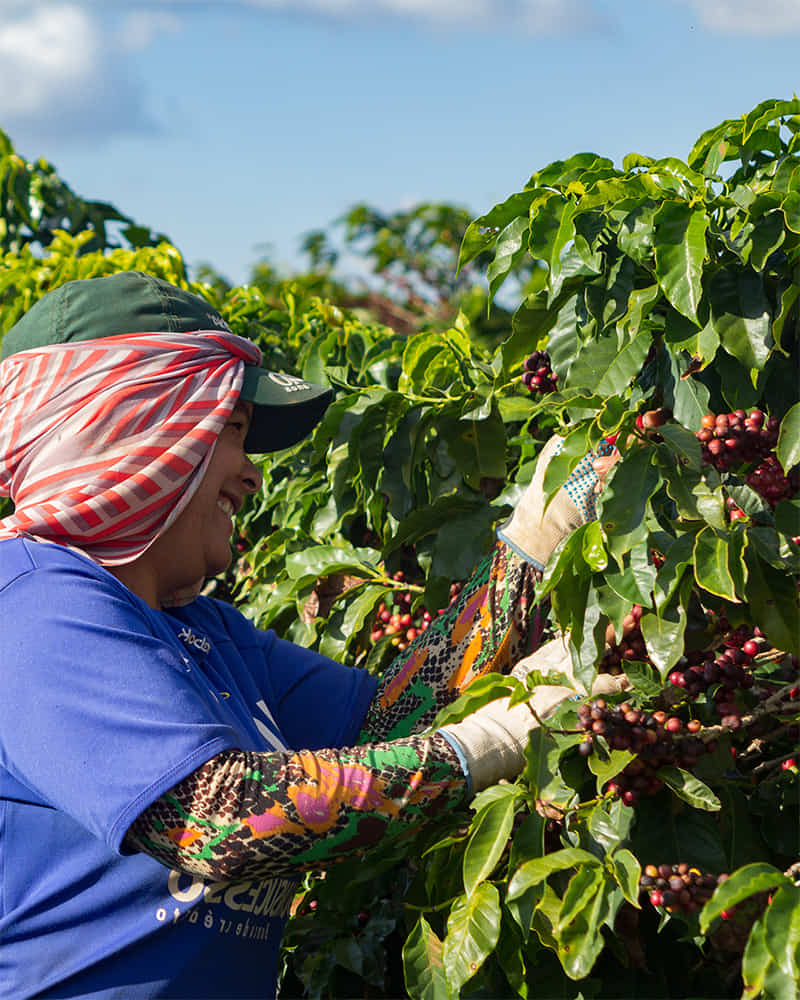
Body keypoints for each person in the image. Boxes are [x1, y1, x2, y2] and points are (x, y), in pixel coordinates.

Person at [0, 271, 622, 1000]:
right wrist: (485, 745)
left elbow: (396, 722)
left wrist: (532, 545)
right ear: (137, 428)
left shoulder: (205, 634)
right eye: (232, 431)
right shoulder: (32, 603)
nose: (252, 476)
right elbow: (219, 821)